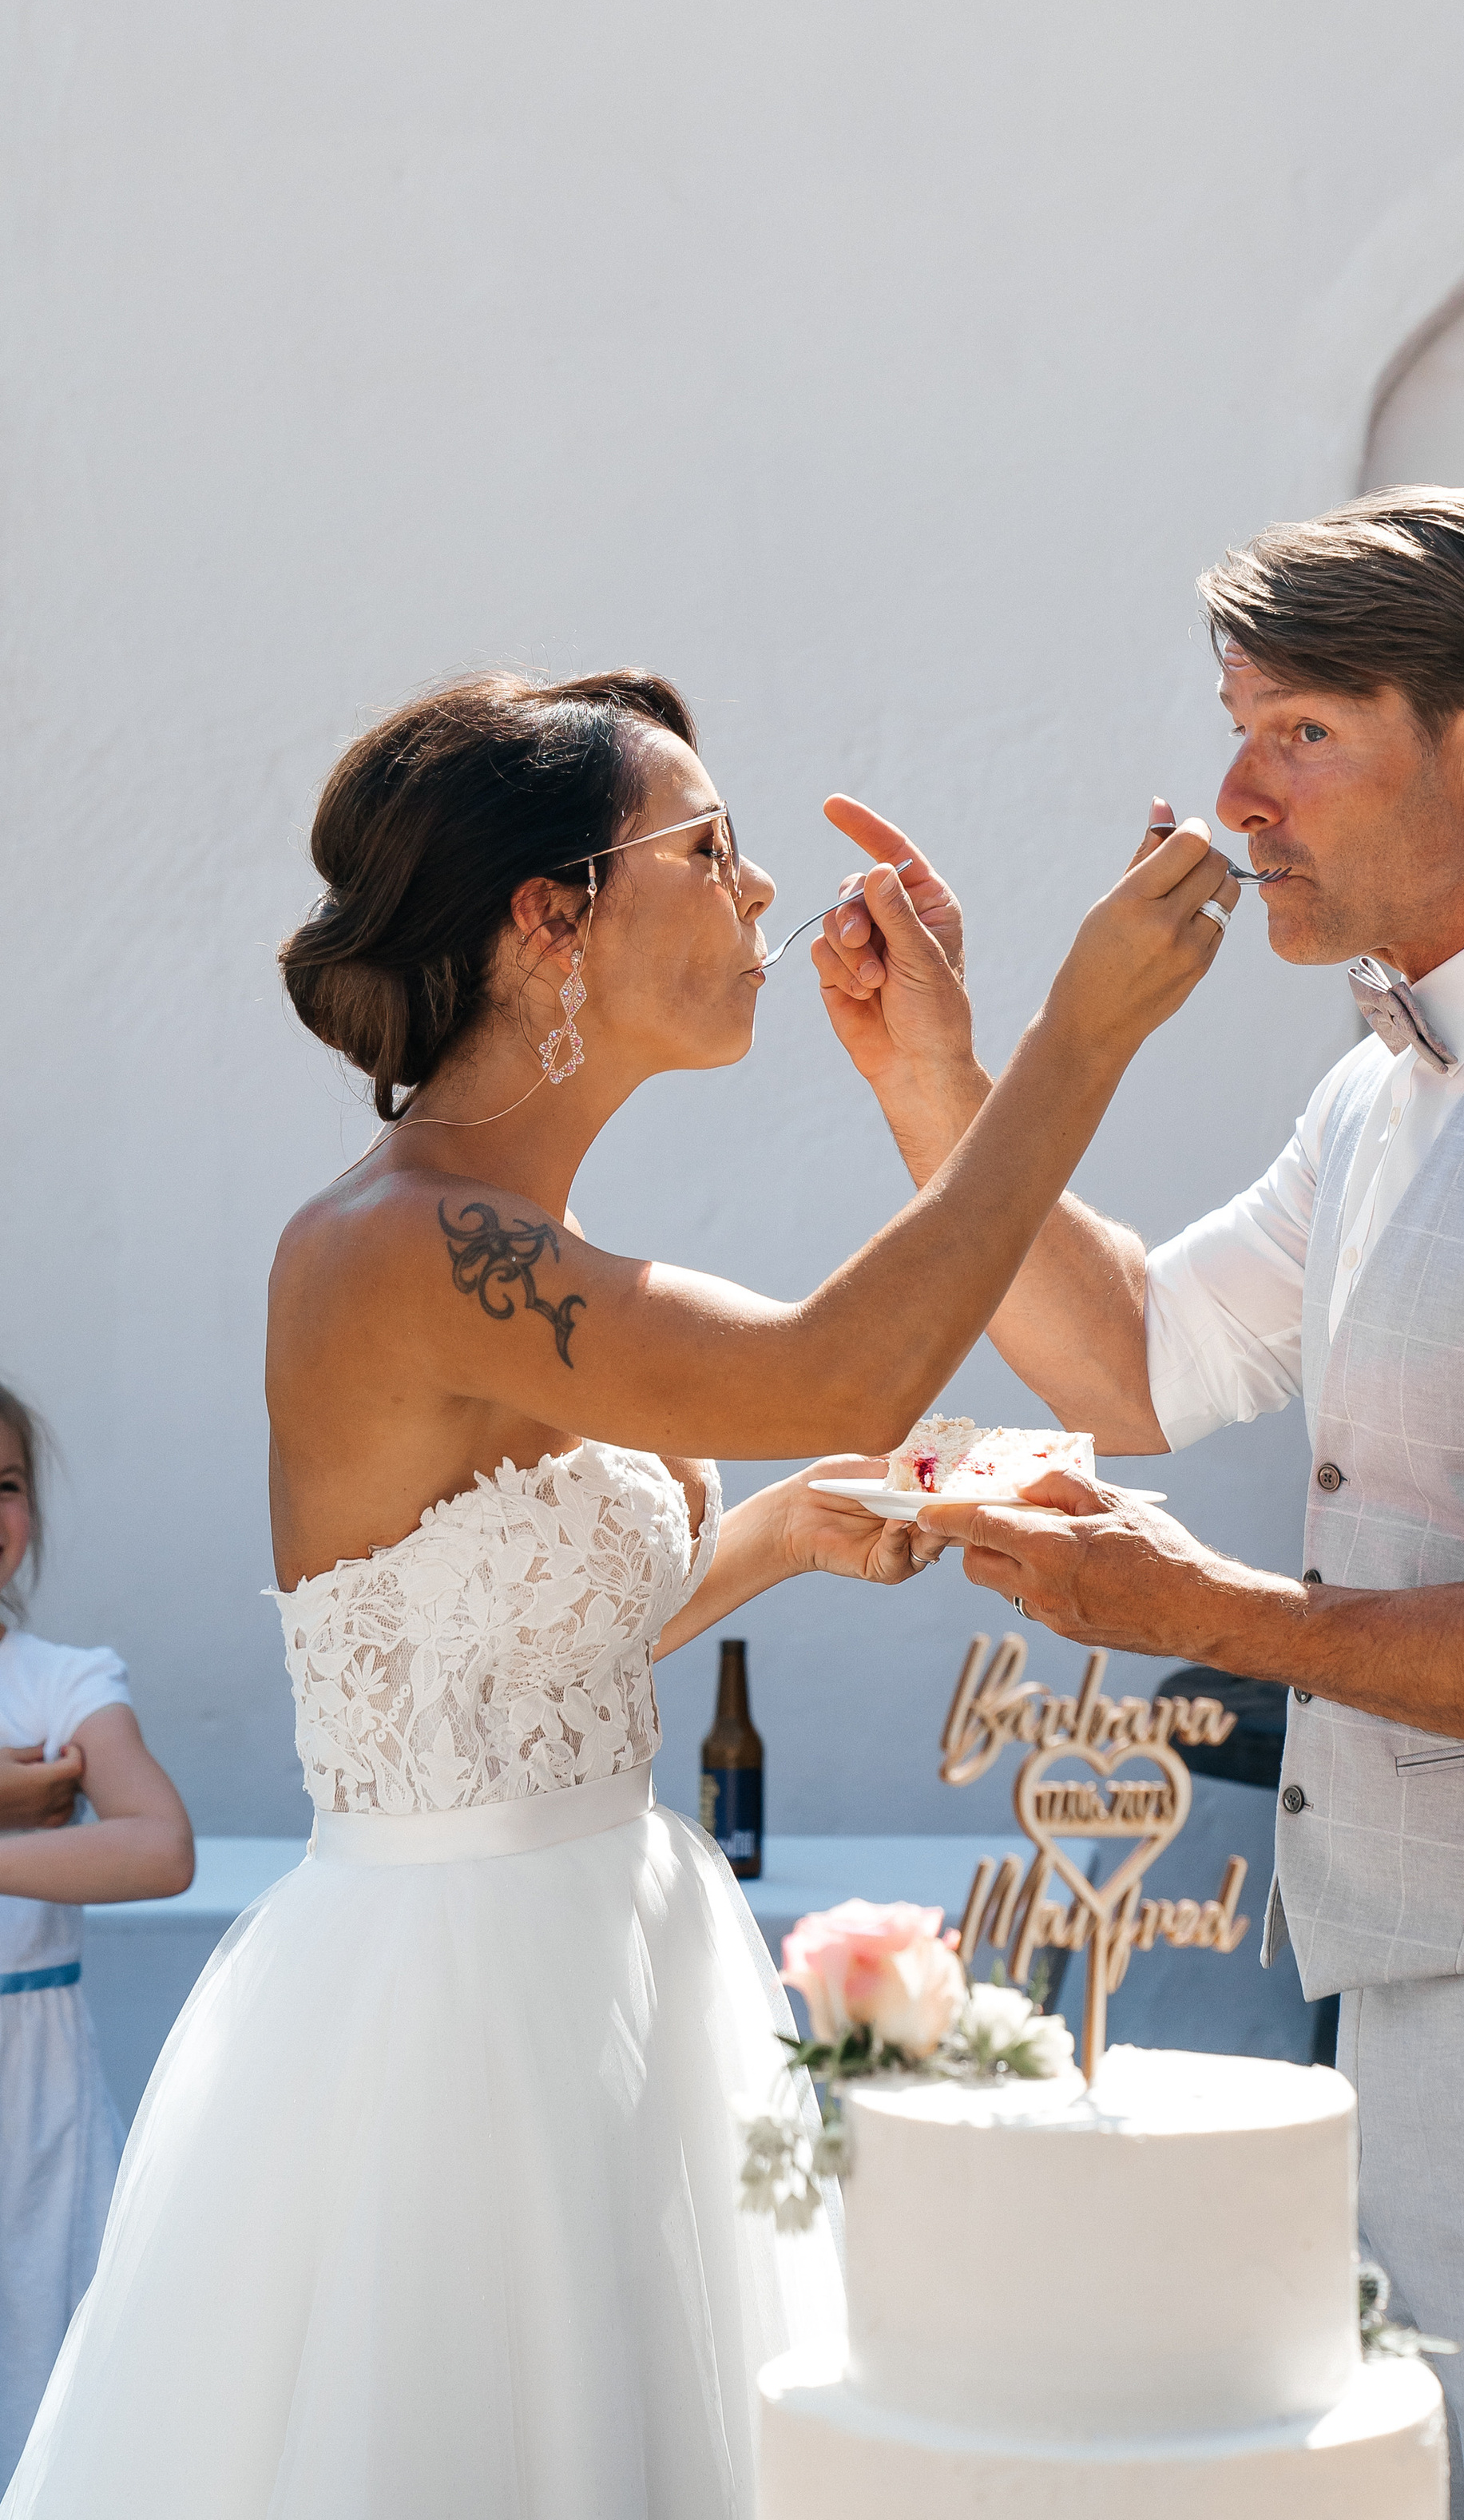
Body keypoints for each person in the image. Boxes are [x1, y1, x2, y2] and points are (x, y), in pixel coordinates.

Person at [2, 668, 1231, 2520]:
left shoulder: (532, 1252)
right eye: (711, 848)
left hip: (625, 1966)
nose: (757, 897)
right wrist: (1076, 1036)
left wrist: (782, 1535)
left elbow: (508, 1641)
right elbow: (843, 1369)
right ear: (547, 917)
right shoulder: (396, 1246)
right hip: (446, 2030)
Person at [811, 492, 1464, 2520]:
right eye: (1235, 728)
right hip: (1427, 2023)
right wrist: (936, 1082)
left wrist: (1211, 1613)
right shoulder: (1390, 1078)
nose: (1230, 796)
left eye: (1297, 732)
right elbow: (1137, 1361)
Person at [0, 1380, 194, 2490]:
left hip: (37, 2097)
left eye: (9, 1485)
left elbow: (157, 1845)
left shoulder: (63, 1683)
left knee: (47, 2386)